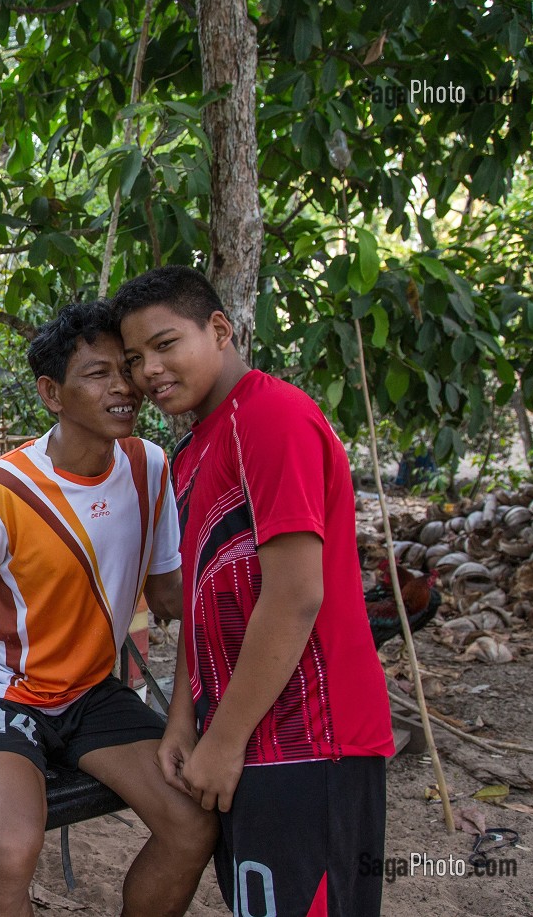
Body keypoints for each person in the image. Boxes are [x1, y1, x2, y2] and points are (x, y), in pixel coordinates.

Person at [0, 301, 217, 917]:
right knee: (11, 850)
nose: (124, 386)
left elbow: (171, 594)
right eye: (98, 374)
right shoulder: (2, 492)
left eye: (128, 367)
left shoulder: (149, 465)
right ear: (51, 393)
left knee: (192, 824)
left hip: (91, 691)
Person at [110, 266, 393, 917]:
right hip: (242, 738)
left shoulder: (272, 417)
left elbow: (296, 594)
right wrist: (185, 720)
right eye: (134, 358)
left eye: (165, 344)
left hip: (312, 740)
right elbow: (204, 604)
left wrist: (223, 739)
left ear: (219, 329)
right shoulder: (190, 453)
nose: (150, 369)